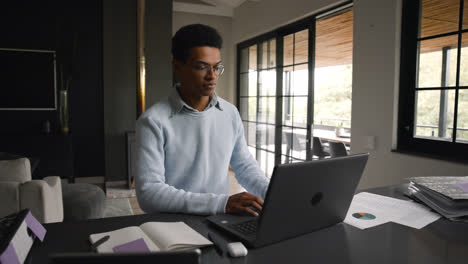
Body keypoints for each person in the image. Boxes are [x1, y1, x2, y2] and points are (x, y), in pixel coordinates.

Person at [135, 24, 269, 216]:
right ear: (177, 67)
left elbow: (245, 165)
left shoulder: (229, 113)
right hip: (174, 225)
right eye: (201, 67)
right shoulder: (153, 121)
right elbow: (149, 194)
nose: (212, 76)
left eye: (217, 67)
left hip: (220, 219)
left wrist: (272, 194)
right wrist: (222, 203)